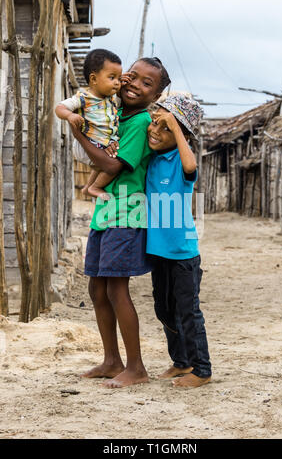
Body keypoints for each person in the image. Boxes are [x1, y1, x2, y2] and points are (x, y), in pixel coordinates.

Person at [70, 57, 171, 388]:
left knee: (116, 287)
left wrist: (79, 133)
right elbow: (95, 96)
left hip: (126, 214)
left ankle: (136, 367)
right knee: (96, 287)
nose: (136, 86)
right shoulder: (116, 113)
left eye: (147, 84)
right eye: (133, 77)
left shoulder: (141, 122)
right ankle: (111, 360)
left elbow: (112, 167)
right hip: (106, 214)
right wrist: (115, 85)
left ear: (156, 95)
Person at [146, 95, 212, 388]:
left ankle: (202, 369)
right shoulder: (152, 159)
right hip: (158, 250)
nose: (154, 131)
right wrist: (164, 121)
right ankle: (181, 362)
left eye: (164, 129)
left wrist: (174, 122)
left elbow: (190, 164)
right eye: (154, 125)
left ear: (179, 135)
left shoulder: (179, 162)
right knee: (164, 309)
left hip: (183, 253)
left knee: (188, 312)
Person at [55, 48, 128, 199]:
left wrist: (123, 83)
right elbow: (59, 108)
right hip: (87, 144)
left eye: (119, 78)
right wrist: (69, 115)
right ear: (93, 79)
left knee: (103, 163)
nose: (117, 83)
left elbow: (124, 98)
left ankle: (88, 187)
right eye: (112, 77)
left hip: (102, 144)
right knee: (113, 165)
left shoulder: (112, 99)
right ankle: (95, 187)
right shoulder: (84, 98)